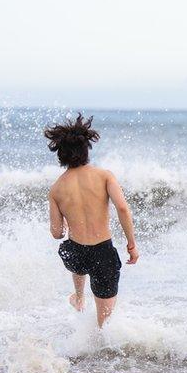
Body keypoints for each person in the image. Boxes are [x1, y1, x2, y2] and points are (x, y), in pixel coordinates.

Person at [46, 113, 139, 327]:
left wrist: (67, 223)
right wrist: (131, 244)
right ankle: (100, 353)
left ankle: (79, 296)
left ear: (61, 155)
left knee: (71, 246)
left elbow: (56, 233)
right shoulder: (104, 176)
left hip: (77, 254)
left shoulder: (57, 189)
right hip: (103, 253)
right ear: (86, 149)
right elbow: (123, 208)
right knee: (105, 323)